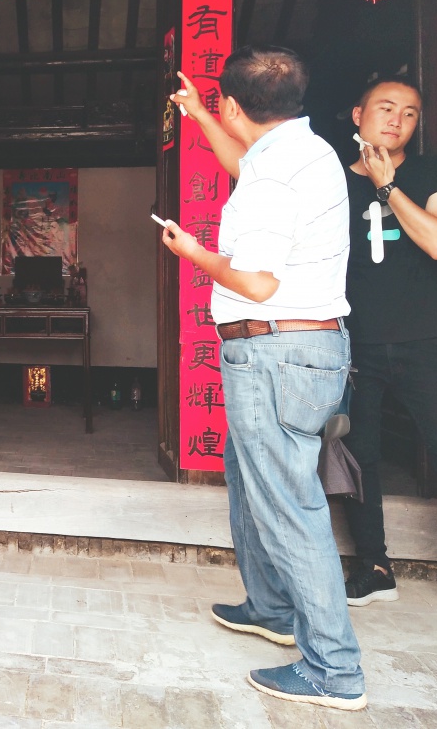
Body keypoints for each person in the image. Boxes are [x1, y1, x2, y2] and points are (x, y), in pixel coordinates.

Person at [162, 46, 365, 710]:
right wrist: (199, 116)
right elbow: (241, 161)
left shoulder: (275, 175)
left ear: (236, 104)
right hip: (293, 348)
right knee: (250, 478)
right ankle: (272, 607)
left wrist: (194, 252)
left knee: (287, 505)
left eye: (219, 107)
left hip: (276, 350)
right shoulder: (302, 150)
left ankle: (334, 668)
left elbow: (255, 281)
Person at [339, 77, 437, 627]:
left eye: (410, 113)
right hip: (354, 341)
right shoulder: (332, 181)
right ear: (358, 114)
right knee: (360, 457)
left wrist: (388, 187)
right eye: (385, 108)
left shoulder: (436, 173)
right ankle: (374, 567)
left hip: (422, 339)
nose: (397, 120)